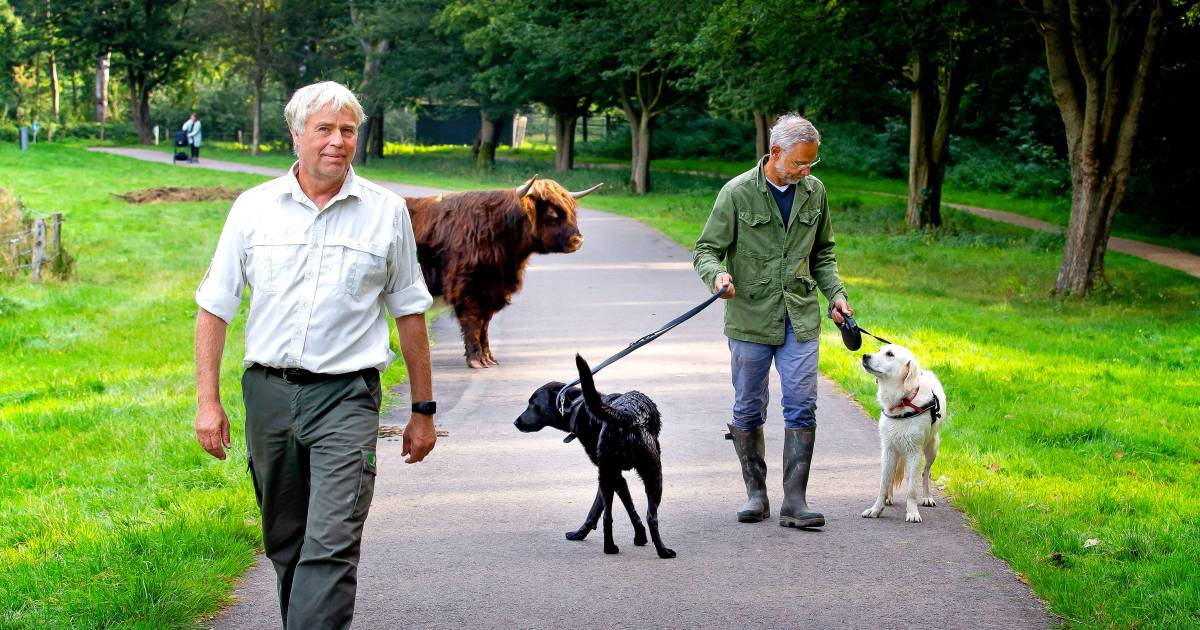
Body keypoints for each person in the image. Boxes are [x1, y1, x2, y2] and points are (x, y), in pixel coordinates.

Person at [193, 81, 437, 629]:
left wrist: (423, 411)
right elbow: (214, 308)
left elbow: (410, 311)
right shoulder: (253, 209)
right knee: (287, 544)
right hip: (269, 395)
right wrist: (208, 403)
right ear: (297, 135)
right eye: (324, 129)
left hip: (346, 398)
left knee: (330, 546)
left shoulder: (386, 211)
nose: (337, 142)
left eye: (348, 131)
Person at [693, 113, 853, 530]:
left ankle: (795, 501)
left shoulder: (815, 193)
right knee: (748, 407)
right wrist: (718, 276)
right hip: (749, 317)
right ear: (775, 152)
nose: (806, 171)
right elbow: (707, 249)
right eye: (800, 163)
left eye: (811, 164)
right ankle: (756, 494)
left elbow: (823, 254)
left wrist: (836, 296)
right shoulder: (737, 193)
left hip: (798, 316)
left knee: (802, 404)